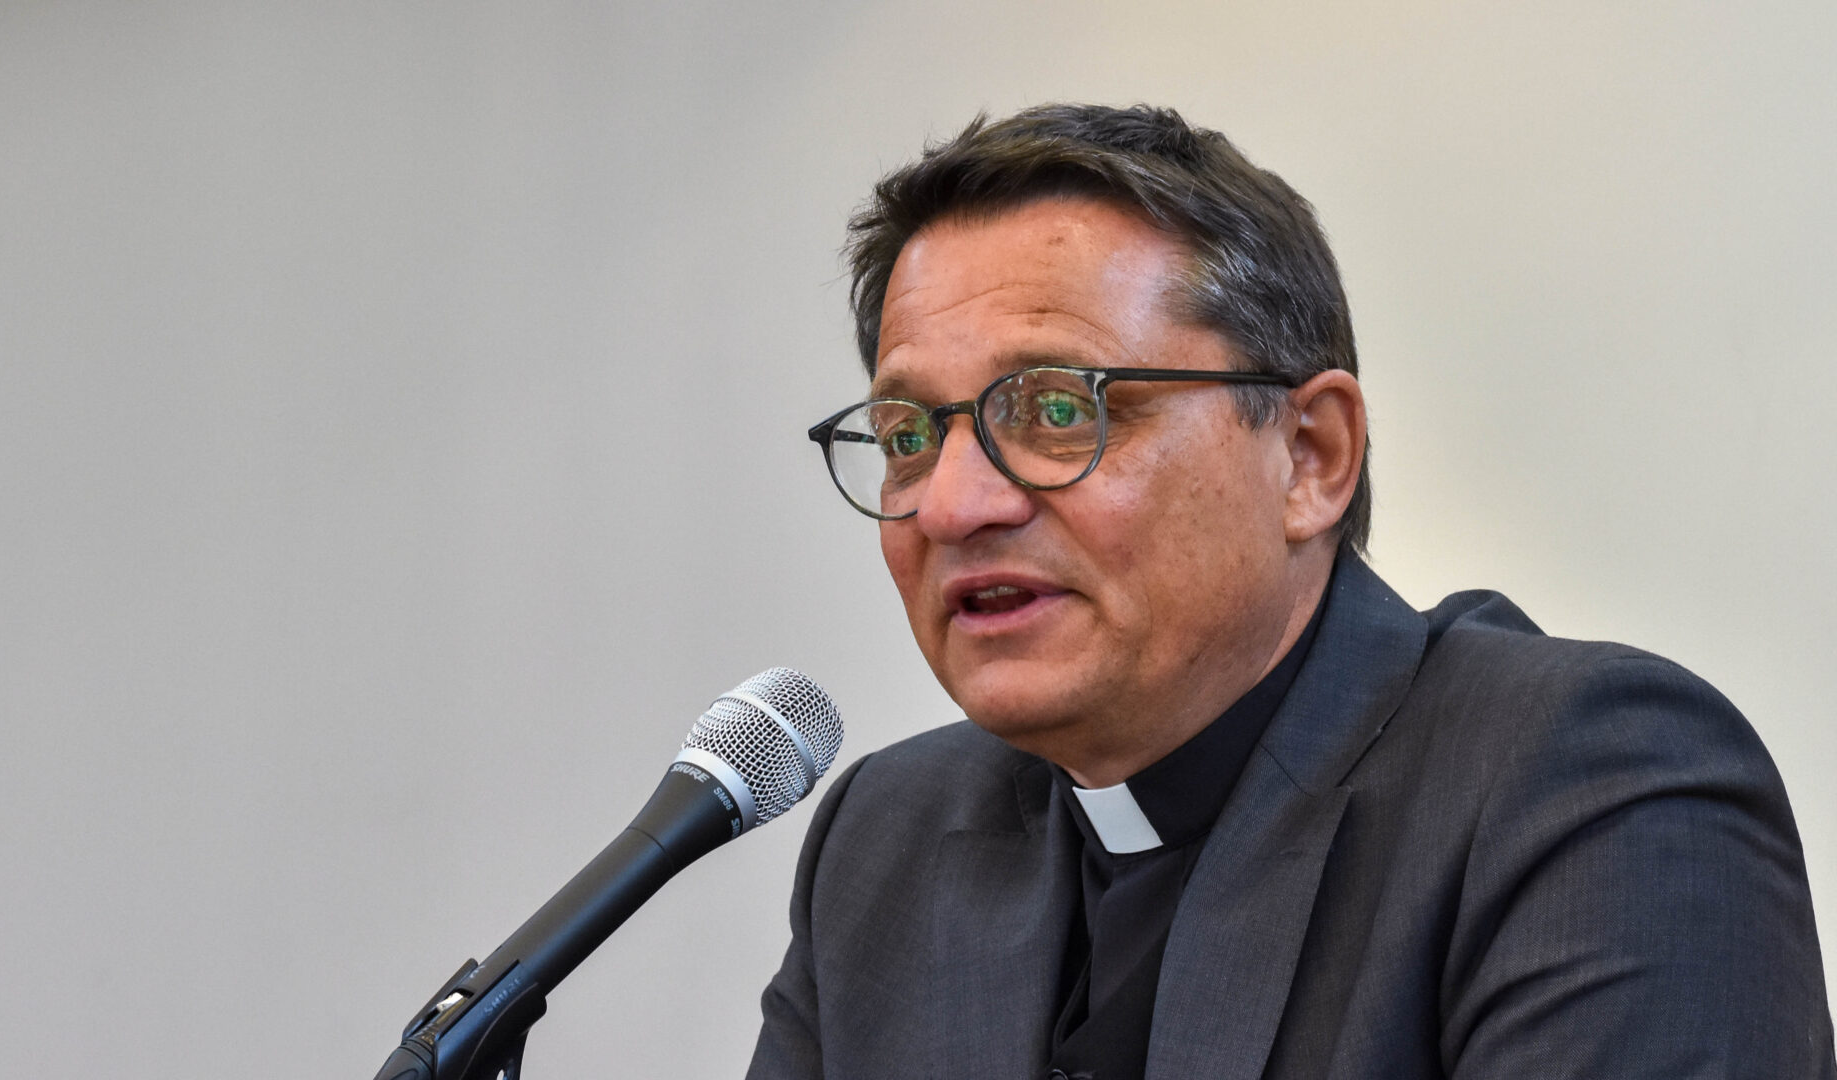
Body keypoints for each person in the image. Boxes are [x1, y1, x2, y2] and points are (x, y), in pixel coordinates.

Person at [746, 104, 1833, 1080]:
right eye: (906, 435)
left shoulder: (1586, 785)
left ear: (1310, 456)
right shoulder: (887, 837)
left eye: (1058, 411)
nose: (950, 505)